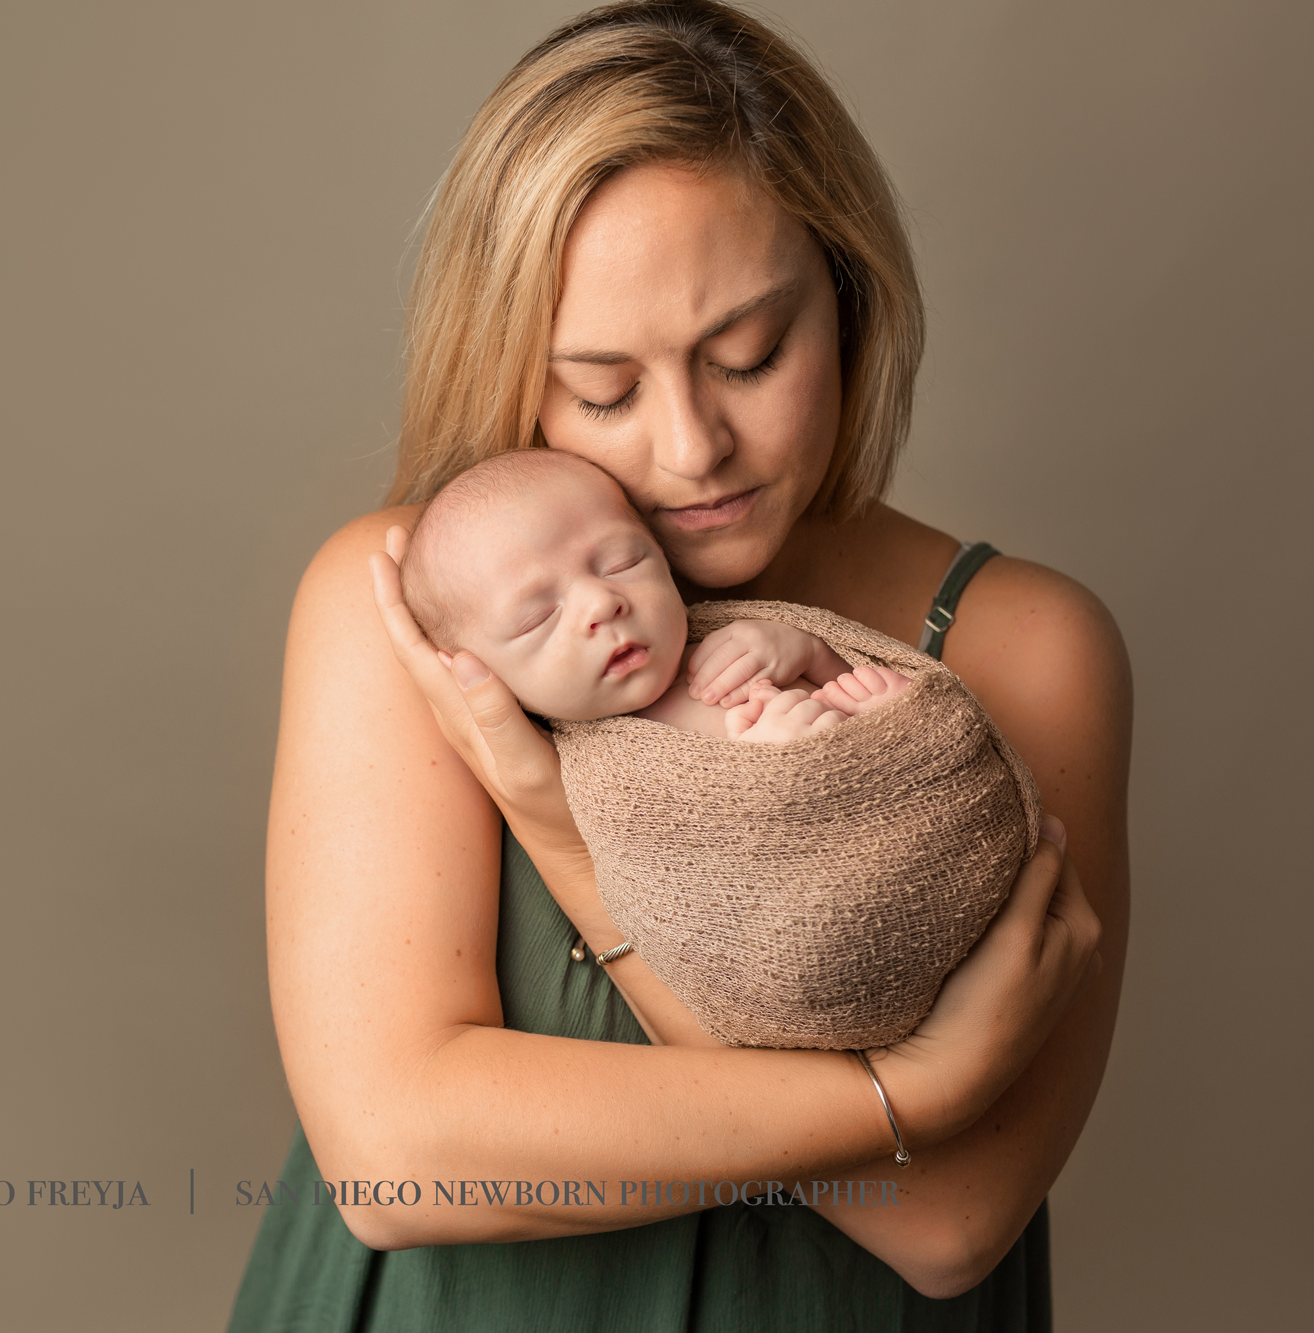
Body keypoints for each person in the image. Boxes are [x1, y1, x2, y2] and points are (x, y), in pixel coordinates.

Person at [230, 2, 1127, 1327]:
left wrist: (558, 823)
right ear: (514, 371)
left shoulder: (1023, 647)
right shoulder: (412, 609)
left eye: (749, 354)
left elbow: (944, 1221)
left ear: (847, 302)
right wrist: (905, 1099)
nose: (691, 446)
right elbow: (392, 1154)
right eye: (601, 388)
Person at [395, 446, 913, 741]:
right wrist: (770, 774)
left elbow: (852, 698)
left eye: (623, 562)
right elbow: (671, 887)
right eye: (537, 618)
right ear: (476, 674)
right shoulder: (590, 770)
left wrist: (811, 655)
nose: (602, 603)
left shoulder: (727, 641)